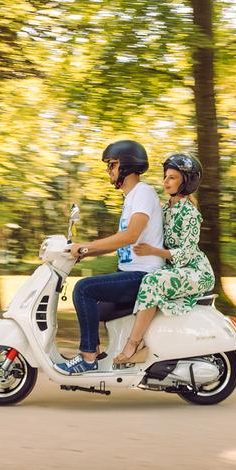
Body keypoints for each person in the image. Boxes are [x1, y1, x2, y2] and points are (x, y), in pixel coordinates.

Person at [55, 140, 164, 374]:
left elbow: (130, 235)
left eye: (112, 165)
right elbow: (121, 239)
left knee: (84, 289)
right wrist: (88, 251)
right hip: (131, 272)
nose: (109, 171)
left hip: (144, 276)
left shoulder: (143, 192)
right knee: (97, 309)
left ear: (126, 166)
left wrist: (87, 247)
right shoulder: (131, 198)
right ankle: (103, 355)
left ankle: (87, 358)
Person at [113, 152, 215, 365]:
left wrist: (153, 251)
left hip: (196, 271)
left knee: (151, 281)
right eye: (165, 176)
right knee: (143, 278)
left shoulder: (190, 213)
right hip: (175, 269)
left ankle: (134, 344)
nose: (165, 181)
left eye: (172, 177)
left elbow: (186, 253)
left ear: (186, 182)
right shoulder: (165, 208)